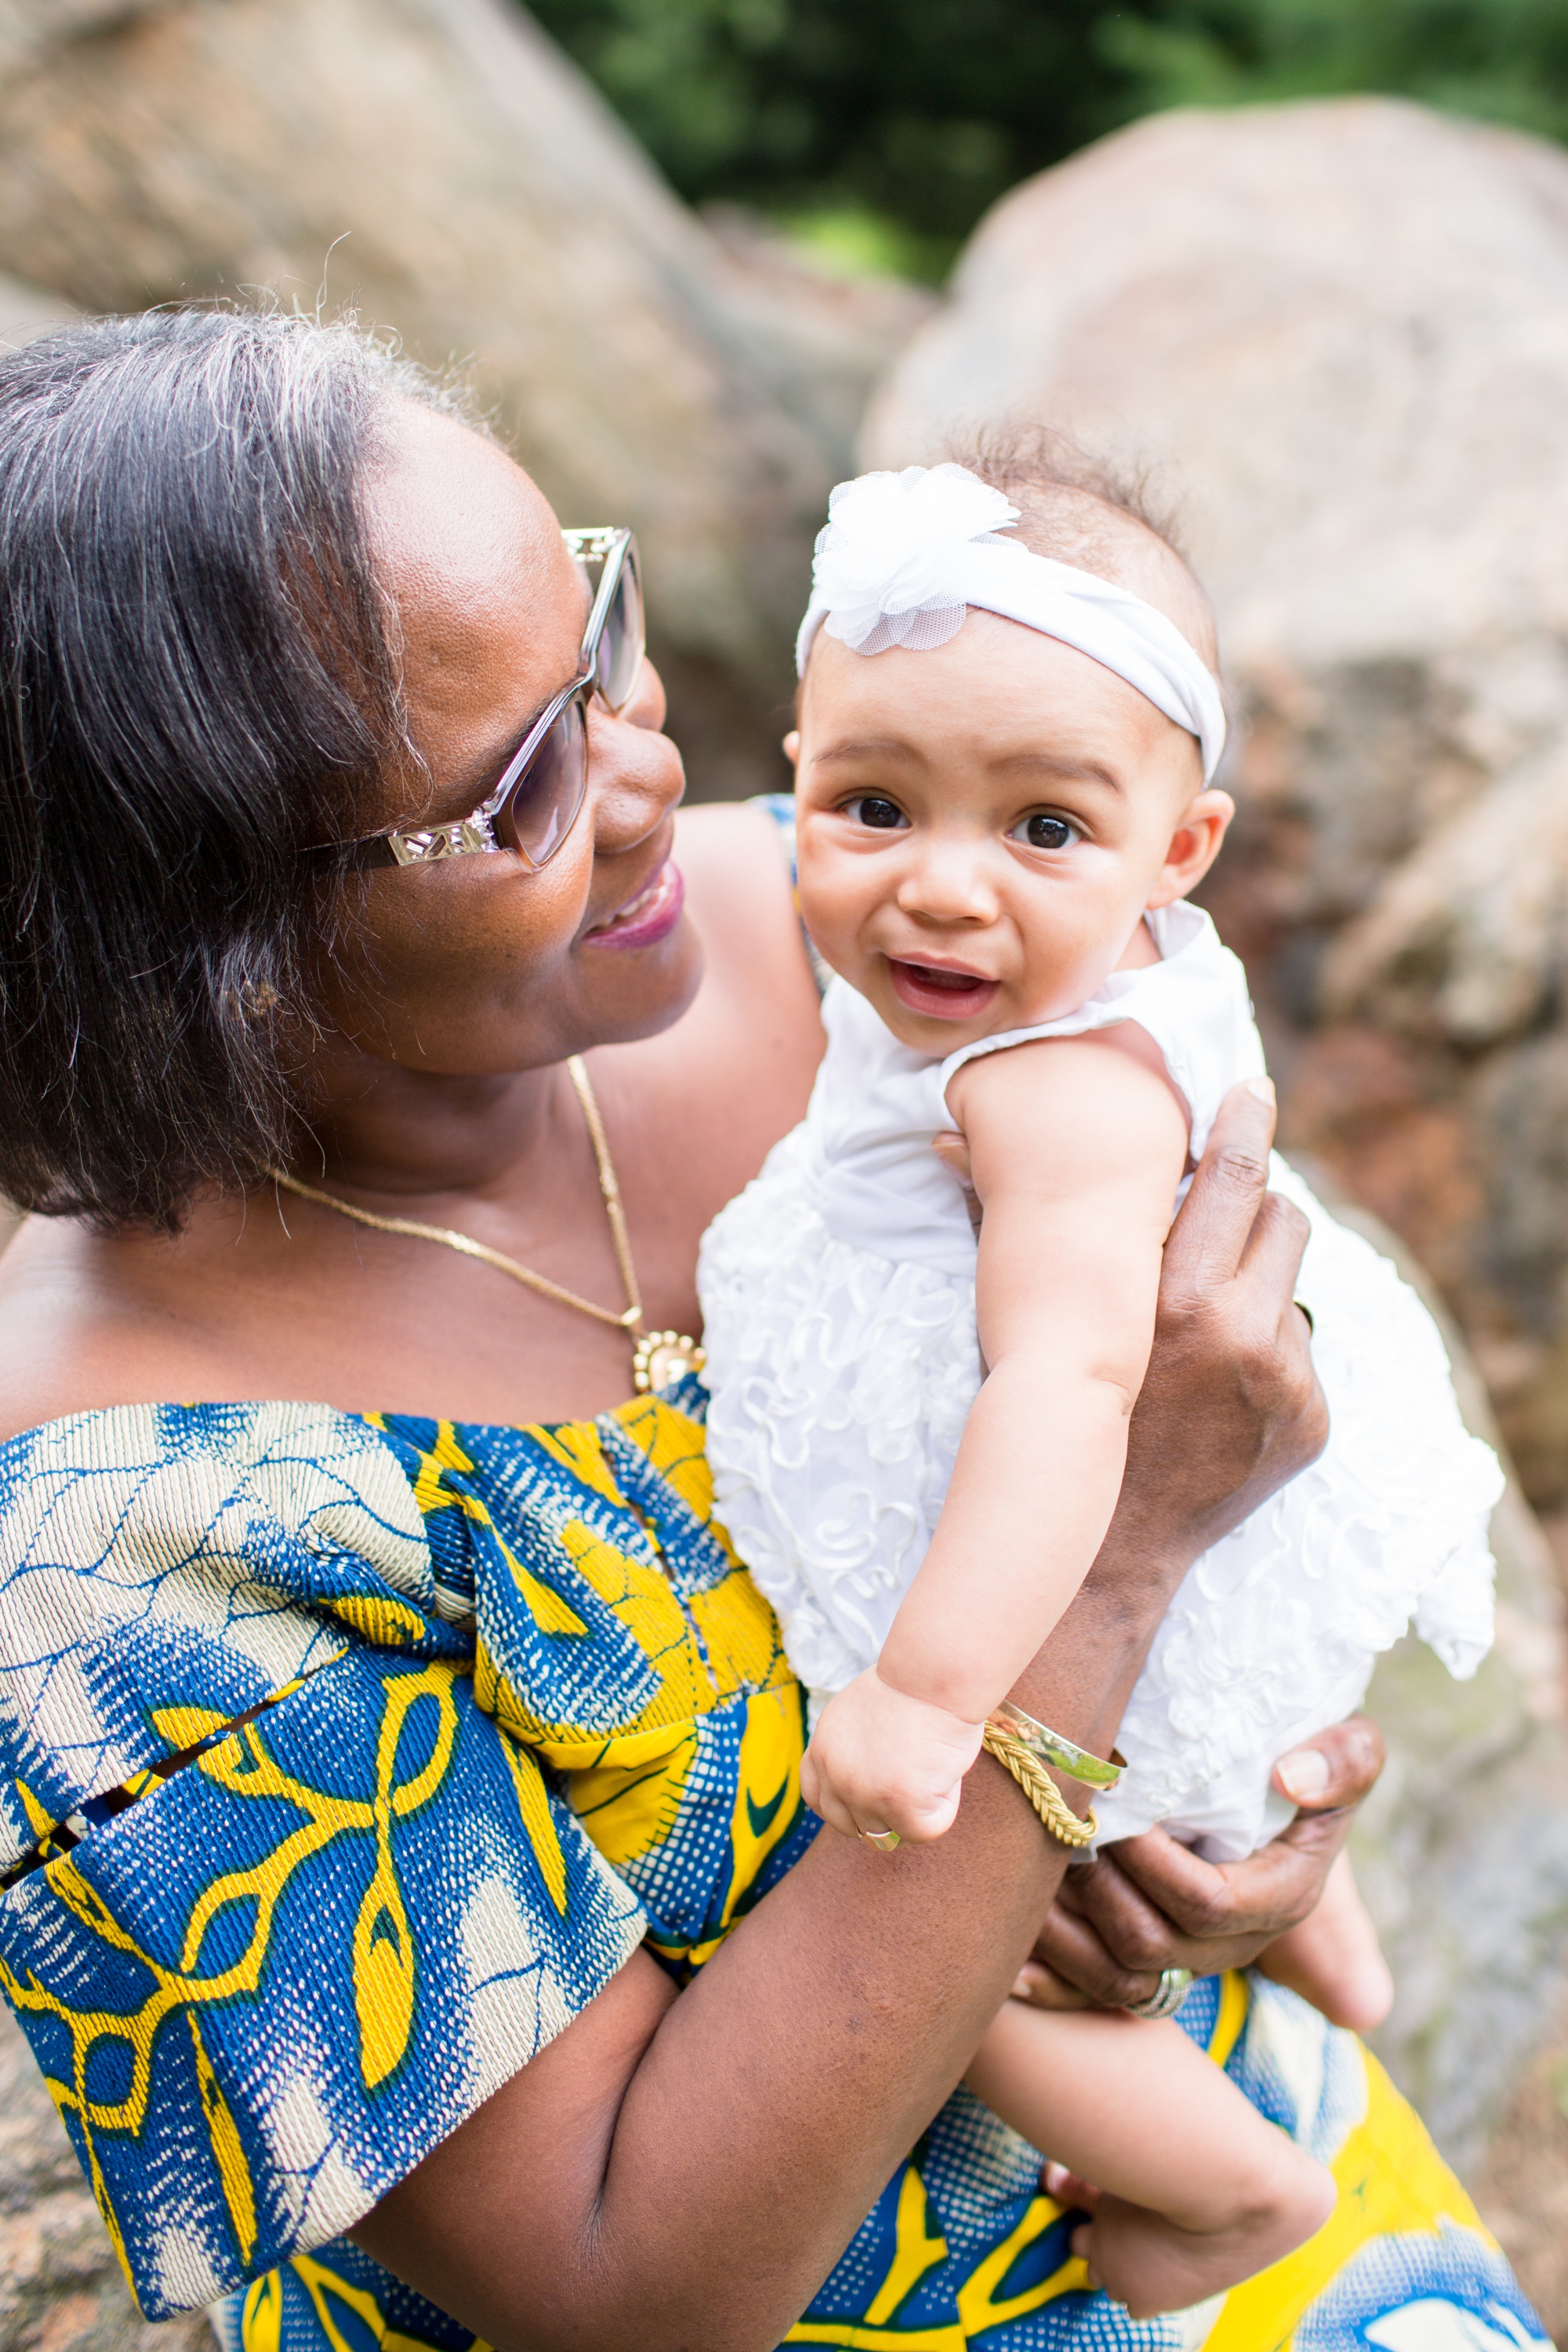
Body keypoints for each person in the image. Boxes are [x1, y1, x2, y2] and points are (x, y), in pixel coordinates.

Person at [0, 309, 1545, 2352]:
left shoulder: (866, 961)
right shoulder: (107, 1551)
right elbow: (627, 2288)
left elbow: (1226, 1356)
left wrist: (1254, 1804)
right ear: (205, 949)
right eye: (520, 790)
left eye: (598, 630)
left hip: (1294, 2224)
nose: (650, 774)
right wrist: (1105, 1583)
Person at [697, 457, 1504, 2315]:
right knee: (1225, 1758)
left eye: (1043, 829)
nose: (943, 890)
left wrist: (922, 1691)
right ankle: (1342, 1969)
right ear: (793, 774)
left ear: (1181, 850)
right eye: (871, 803)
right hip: (1204, 1540)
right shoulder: (1091, 971)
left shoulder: (1048, 1086)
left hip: (1054, 1526)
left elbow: (1067, 1380)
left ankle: (1222, 2194)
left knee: (955, 1963)